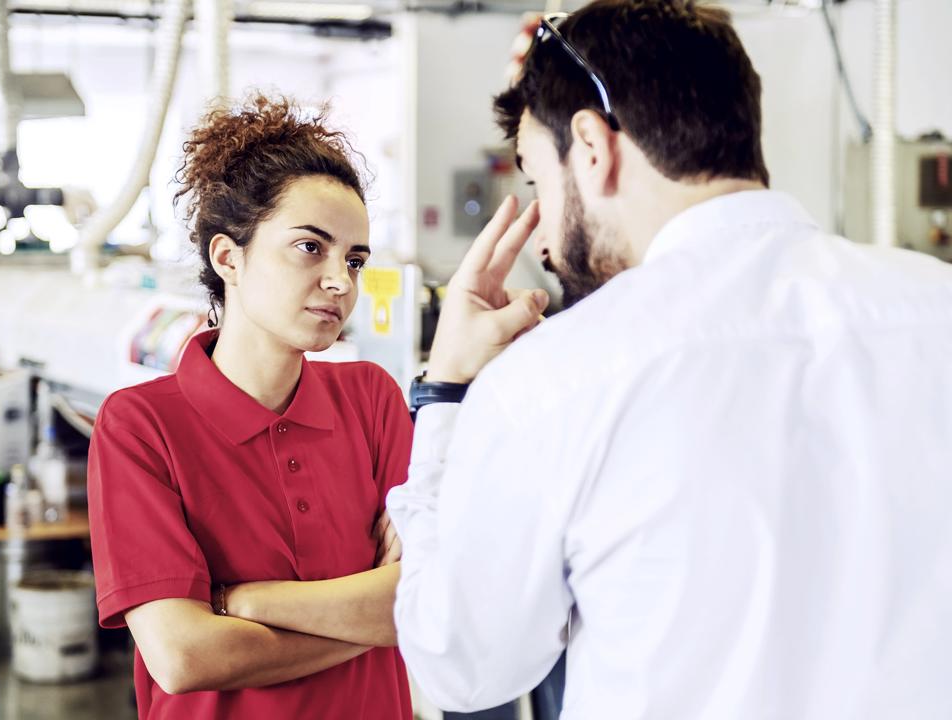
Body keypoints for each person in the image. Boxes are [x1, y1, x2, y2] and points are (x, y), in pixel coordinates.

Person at [386, 1, 952, 718]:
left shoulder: (560, 380)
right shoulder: (936, 310)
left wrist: (444, 401)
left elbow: (461, 665)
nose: (543, 242)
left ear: (591, 147)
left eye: (537, 181)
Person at [87, 95, 476, 719]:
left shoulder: (371, 399)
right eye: (309, 248)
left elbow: (430, 603)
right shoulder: (141, 426)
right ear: (228, 257)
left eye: (354, 259)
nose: (341, 282)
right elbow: (185, 657)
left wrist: (244, 602)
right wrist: (367, 618)